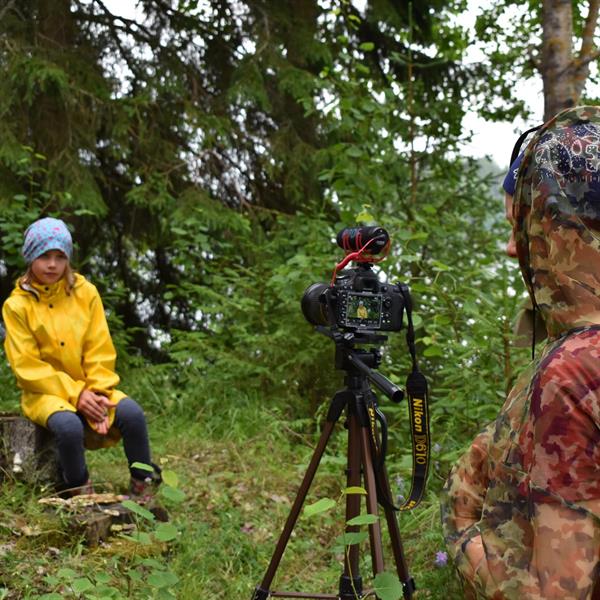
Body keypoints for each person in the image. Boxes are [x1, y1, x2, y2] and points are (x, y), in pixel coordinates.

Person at [441, 106, 600, 599]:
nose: (514, 249)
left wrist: (464, 537)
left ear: (559, 231)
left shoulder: (572, 374)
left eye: (523, 227)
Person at [2, 217, 161, 496]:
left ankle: (142, 483)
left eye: (60, 257)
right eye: (44, 256)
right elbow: (27, 367)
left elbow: (99, 347)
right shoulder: (16, 306)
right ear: (30, 257)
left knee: (132, 415)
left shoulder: (86, 293)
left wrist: (98, 392)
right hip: (44, 393)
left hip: (91, 388)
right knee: (69, 427)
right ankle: (79, 489)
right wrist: (76, 395)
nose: (52, 264)